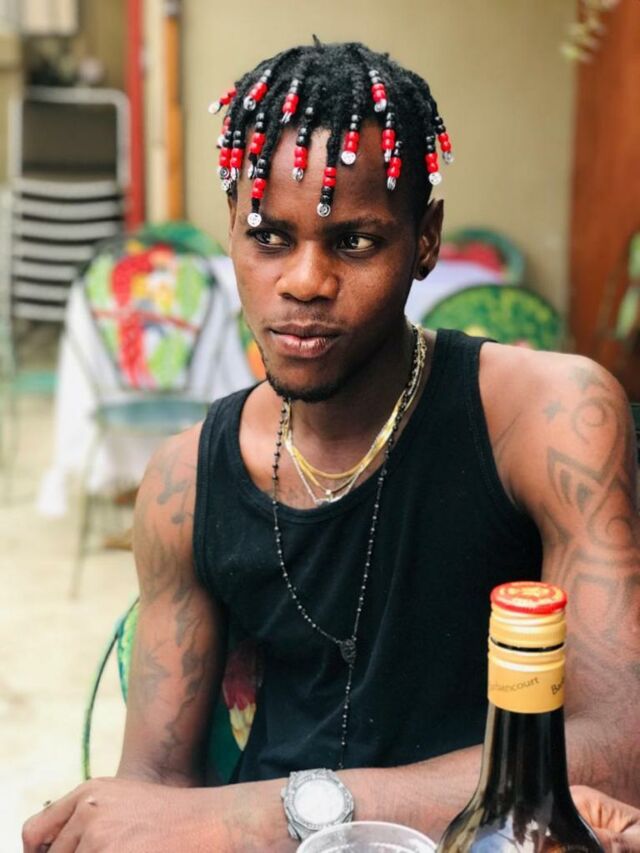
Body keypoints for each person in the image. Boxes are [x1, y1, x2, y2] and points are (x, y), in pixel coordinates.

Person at [23, 41, 640, 852]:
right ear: (232, 230)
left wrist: (279, 812)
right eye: (268, 235)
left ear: (425, 239)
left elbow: (617, 755)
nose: (305, 280)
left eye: (354, 241)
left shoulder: (549, 420)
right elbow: (156, 791)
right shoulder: (185, 481)